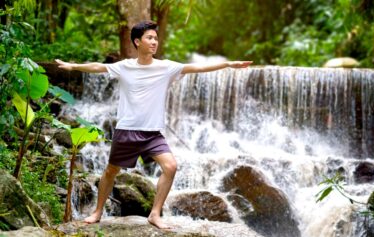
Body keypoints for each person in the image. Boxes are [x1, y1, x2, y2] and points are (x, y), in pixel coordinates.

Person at [56, 20, 252, 229]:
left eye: (156, 38)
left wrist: (228, 64)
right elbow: (99, 67)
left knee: (170, 166)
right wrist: (73, 66)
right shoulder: (125, 66)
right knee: (111, 171)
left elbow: (198, 67)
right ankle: (97, 211)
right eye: (149, 38)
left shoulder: (166, 67)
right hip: (127, 130)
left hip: (152, 134)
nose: (154, 42)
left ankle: (155, 213)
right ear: (137, 42)